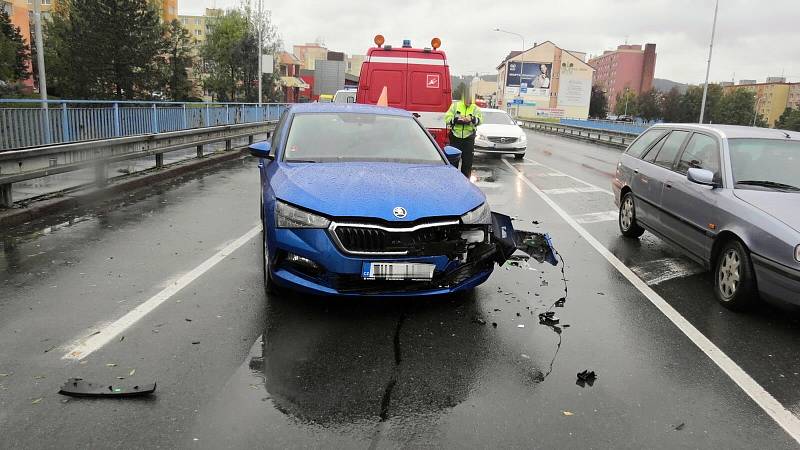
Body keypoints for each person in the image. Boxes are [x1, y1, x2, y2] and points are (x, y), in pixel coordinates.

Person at [444, 86, 483, 177]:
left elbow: (480, 120)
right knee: (453, 163)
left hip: (468, 139)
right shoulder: (455, 106)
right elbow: (447, 118)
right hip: (455, 138)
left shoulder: (475, 108)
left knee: (467, 164)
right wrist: (456, 119)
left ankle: (465, 183)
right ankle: (452, 181)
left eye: (470, 99)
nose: (468, 101)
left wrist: (472, 119)